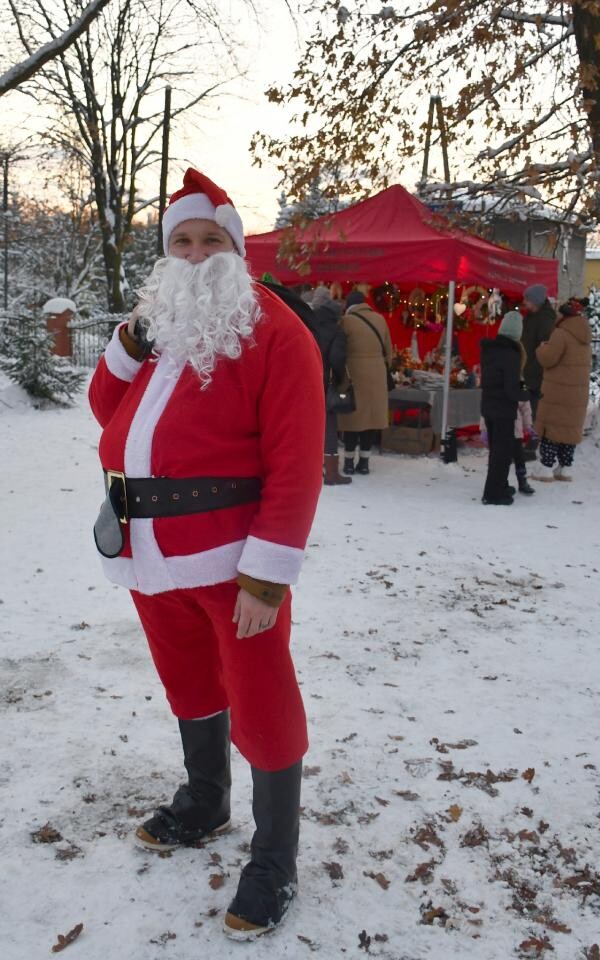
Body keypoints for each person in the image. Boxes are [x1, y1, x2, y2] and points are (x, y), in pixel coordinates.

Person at [88, 168, 325, 940]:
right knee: (187, 681)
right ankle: (205, 800)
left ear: (236, 249)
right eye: (181, 241)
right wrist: (129, 342)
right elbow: (105, 409)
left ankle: (275, 858)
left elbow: (296, 461)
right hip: (149, 552)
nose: (194, 254)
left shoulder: (274, 330)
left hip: (231, 563)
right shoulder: (163, 325)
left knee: (262, 700)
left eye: (210, 241)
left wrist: (266, 578)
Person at [531, 298, 592, 482]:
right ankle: (565, 469)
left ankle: (546, 468)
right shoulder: (584, 336)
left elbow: (548, 358)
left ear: (564, 315)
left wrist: (541, 349)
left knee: (552, 429)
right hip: (577, 393)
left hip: (558, 391)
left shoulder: (561, 333)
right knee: (569, 430)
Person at [337, 290, 392, 475]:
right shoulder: (380, 319)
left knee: (352, 420)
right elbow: (388, 352)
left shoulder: (346, 321)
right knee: (370, 419)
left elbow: (339, 350)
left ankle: (349, 462)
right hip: (377, 375)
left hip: (353, 374)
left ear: (349, 305)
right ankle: (364, 462)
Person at [479, 311, 529, 505]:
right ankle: (493, 494)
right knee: (502, 454)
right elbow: (513, 387)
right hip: (503, 410)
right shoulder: (511, 355)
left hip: (489, 406)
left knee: (496, 451)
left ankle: (500, 485)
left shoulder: (490, 351)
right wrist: (527, 394)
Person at [311, 286, 352, 486]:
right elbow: (337, 358)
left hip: (306, 379)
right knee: (329, 425)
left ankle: (311, 468)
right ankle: (331, 472)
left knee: (307, 424)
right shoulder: (337, 330)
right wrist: (339, 378)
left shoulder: (307, 323)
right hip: (325, 382)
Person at [480, 397, 535, 496]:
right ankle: (502, 482)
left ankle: (522, 481)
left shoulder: (520, 387)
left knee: (519, 457)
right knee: (501, 458)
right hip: (498, 429)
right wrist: (484, 429)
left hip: (515, 430)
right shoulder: (493, 388)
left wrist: (528, 425)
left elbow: (526, 407)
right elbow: (486, 409)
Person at [521, 284, 557, 419]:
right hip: (527, 371)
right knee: (525, 409)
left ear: (535, 301)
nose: (524, 302)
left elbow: (545, 348)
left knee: (534, 411)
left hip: (536, 374)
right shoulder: (530, 317)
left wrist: (533, 368)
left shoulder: (545, 319)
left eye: (527, 299)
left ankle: (534, 432)